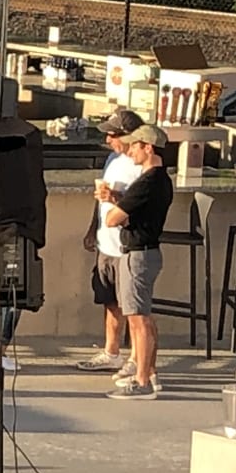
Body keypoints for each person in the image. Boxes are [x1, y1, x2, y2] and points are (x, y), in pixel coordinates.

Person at [94, 124, 172, 400]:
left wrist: (116, 209)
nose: (131, 150)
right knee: (144, 317)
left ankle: (142, 381)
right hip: (147, 251)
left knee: (138, 320)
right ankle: (148, 372)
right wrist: (119, 200)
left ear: (148, 148)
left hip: (137, 254)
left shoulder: (146, 182)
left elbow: (112, 219)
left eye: (135, 146)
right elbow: (138, 210)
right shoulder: (161, 180)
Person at [67, 108, 145, 381]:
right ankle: (111, 352)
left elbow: (141, 202)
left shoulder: (141, 164)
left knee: (133, 306)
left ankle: (137, 359)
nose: (109, 139)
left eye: (113, 134)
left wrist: (115, 196)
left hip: (127, 245)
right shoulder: (112, 158)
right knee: (109, 299)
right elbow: (100, 200)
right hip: (106, 242)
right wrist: (93, 228)